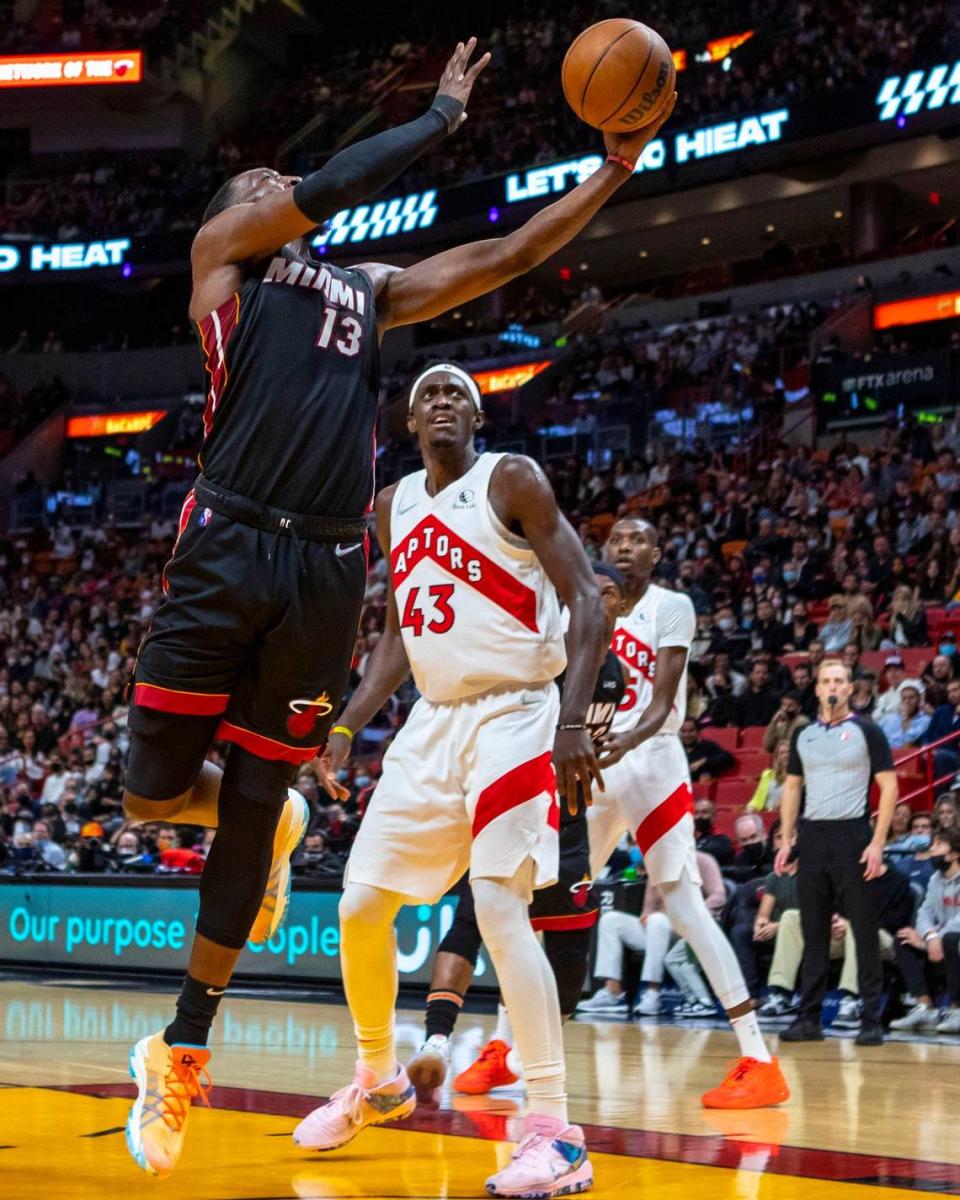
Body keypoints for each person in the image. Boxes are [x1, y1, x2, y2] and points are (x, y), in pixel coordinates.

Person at [124, 50, 676, 1186]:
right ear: (240, 215)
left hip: (333, 573)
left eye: (283, 178)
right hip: (229, 542)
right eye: (260, 180)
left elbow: (505, 254)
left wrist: (610, 174)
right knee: (154, 795)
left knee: (319, 828)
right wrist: (436, 118)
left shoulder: (364, 294)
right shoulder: (226, 262)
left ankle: (196, 1047)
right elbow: (316, 190)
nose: (276, 184)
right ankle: (283, 881)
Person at [291, 362, 611, 1199]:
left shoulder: (512, 478)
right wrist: (348, 724)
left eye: (456, 396)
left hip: (516, 713)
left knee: (501, 906)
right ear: (407, 421)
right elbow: (399, 636)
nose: (441, 404)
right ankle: (378, 1079)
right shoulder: (395, 504)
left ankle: (554, 1131)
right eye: (427, 395)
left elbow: (587, 597)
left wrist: (573, 719)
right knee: (360, 906)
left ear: (477, 415)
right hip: (433, 722)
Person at [588, 516, 790, 1109]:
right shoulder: (584, 605)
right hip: (596, 761)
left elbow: (662, 699)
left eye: (638, 540)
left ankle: (757, 1055)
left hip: (649, 757)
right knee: (552, 893)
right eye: (616, 540)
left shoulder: (671, 605)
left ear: (657, 552)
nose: (625, 547)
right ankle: (507, 1049)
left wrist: (621, 744)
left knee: (683, 903)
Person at [405, 562, 626, 1101]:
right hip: (511, 797)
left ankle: (527, 1053)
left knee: (570, 946)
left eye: (606, 596)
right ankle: (436, 1041)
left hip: (569, 816)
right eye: (587, 595)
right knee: (472, 919)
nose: (595, 605)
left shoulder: (614, 672)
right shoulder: (545, 657)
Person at [775, 659, 898, 1045]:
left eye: (839, 680)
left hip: (853, 835)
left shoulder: (867, 731)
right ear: (817, 689)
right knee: (813, 932)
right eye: (826, 680)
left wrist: (877, 843)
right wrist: (787, 838)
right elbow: (792, 788)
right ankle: (809, 1018)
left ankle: (870, 1020)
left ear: (849, 689)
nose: (832, 686)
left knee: (863, 930)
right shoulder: (804, 735)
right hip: (812, 837)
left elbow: (890, 788)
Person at [577, 850, 725, 1018]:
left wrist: (695, 913)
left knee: (657, 921)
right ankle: (613, 994)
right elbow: (648, 909)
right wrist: (645, 917)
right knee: (611, 920)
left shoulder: (703, 860)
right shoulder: (657, 864)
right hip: (660, 928)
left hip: (687, 927)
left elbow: (719, 896)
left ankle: (652, 993)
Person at [890, 828, 960, 1034]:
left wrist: (935, 939)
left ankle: (957, 1009)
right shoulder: (935, 879)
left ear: (955, 854)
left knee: (950, 939)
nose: (932, 849)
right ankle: (924, 1006)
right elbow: (924, 913)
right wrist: (929, 936)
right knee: (902, 939)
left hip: (952, 942)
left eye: (938, 845)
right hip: (938, 943)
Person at [680, 716, 735, 782]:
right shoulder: (675, 749)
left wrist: (703, 762)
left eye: (691, 731)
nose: (687, 735)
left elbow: (728, 758)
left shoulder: (707, 746)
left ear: (698, 731)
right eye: (684, 731)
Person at [878, 685, 930, 750]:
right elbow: (876, 736)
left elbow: (909, 743)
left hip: (907, 755)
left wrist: (905, 718)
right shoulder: (889, 718)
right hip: (884, 753)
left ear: (919, 700)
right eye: (904, 698)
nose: (907, 701)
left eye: (911, 698)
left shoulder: (925, 720)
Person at [748, 740, 790, 813]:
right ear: (778, 757)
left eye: (789, 752)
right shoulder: (767, 775)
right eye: (782, 753)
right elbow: (757, 799)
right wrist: (751, 807)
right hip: (766, 813)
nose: (785, 755)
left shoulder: (800, 777)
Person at [693, 796, 735, 867]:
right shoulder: (689, 838)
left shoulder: (721, 840)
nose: (700, 816)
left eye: (704, 812)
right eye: (696, 813)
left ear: (713, 816)